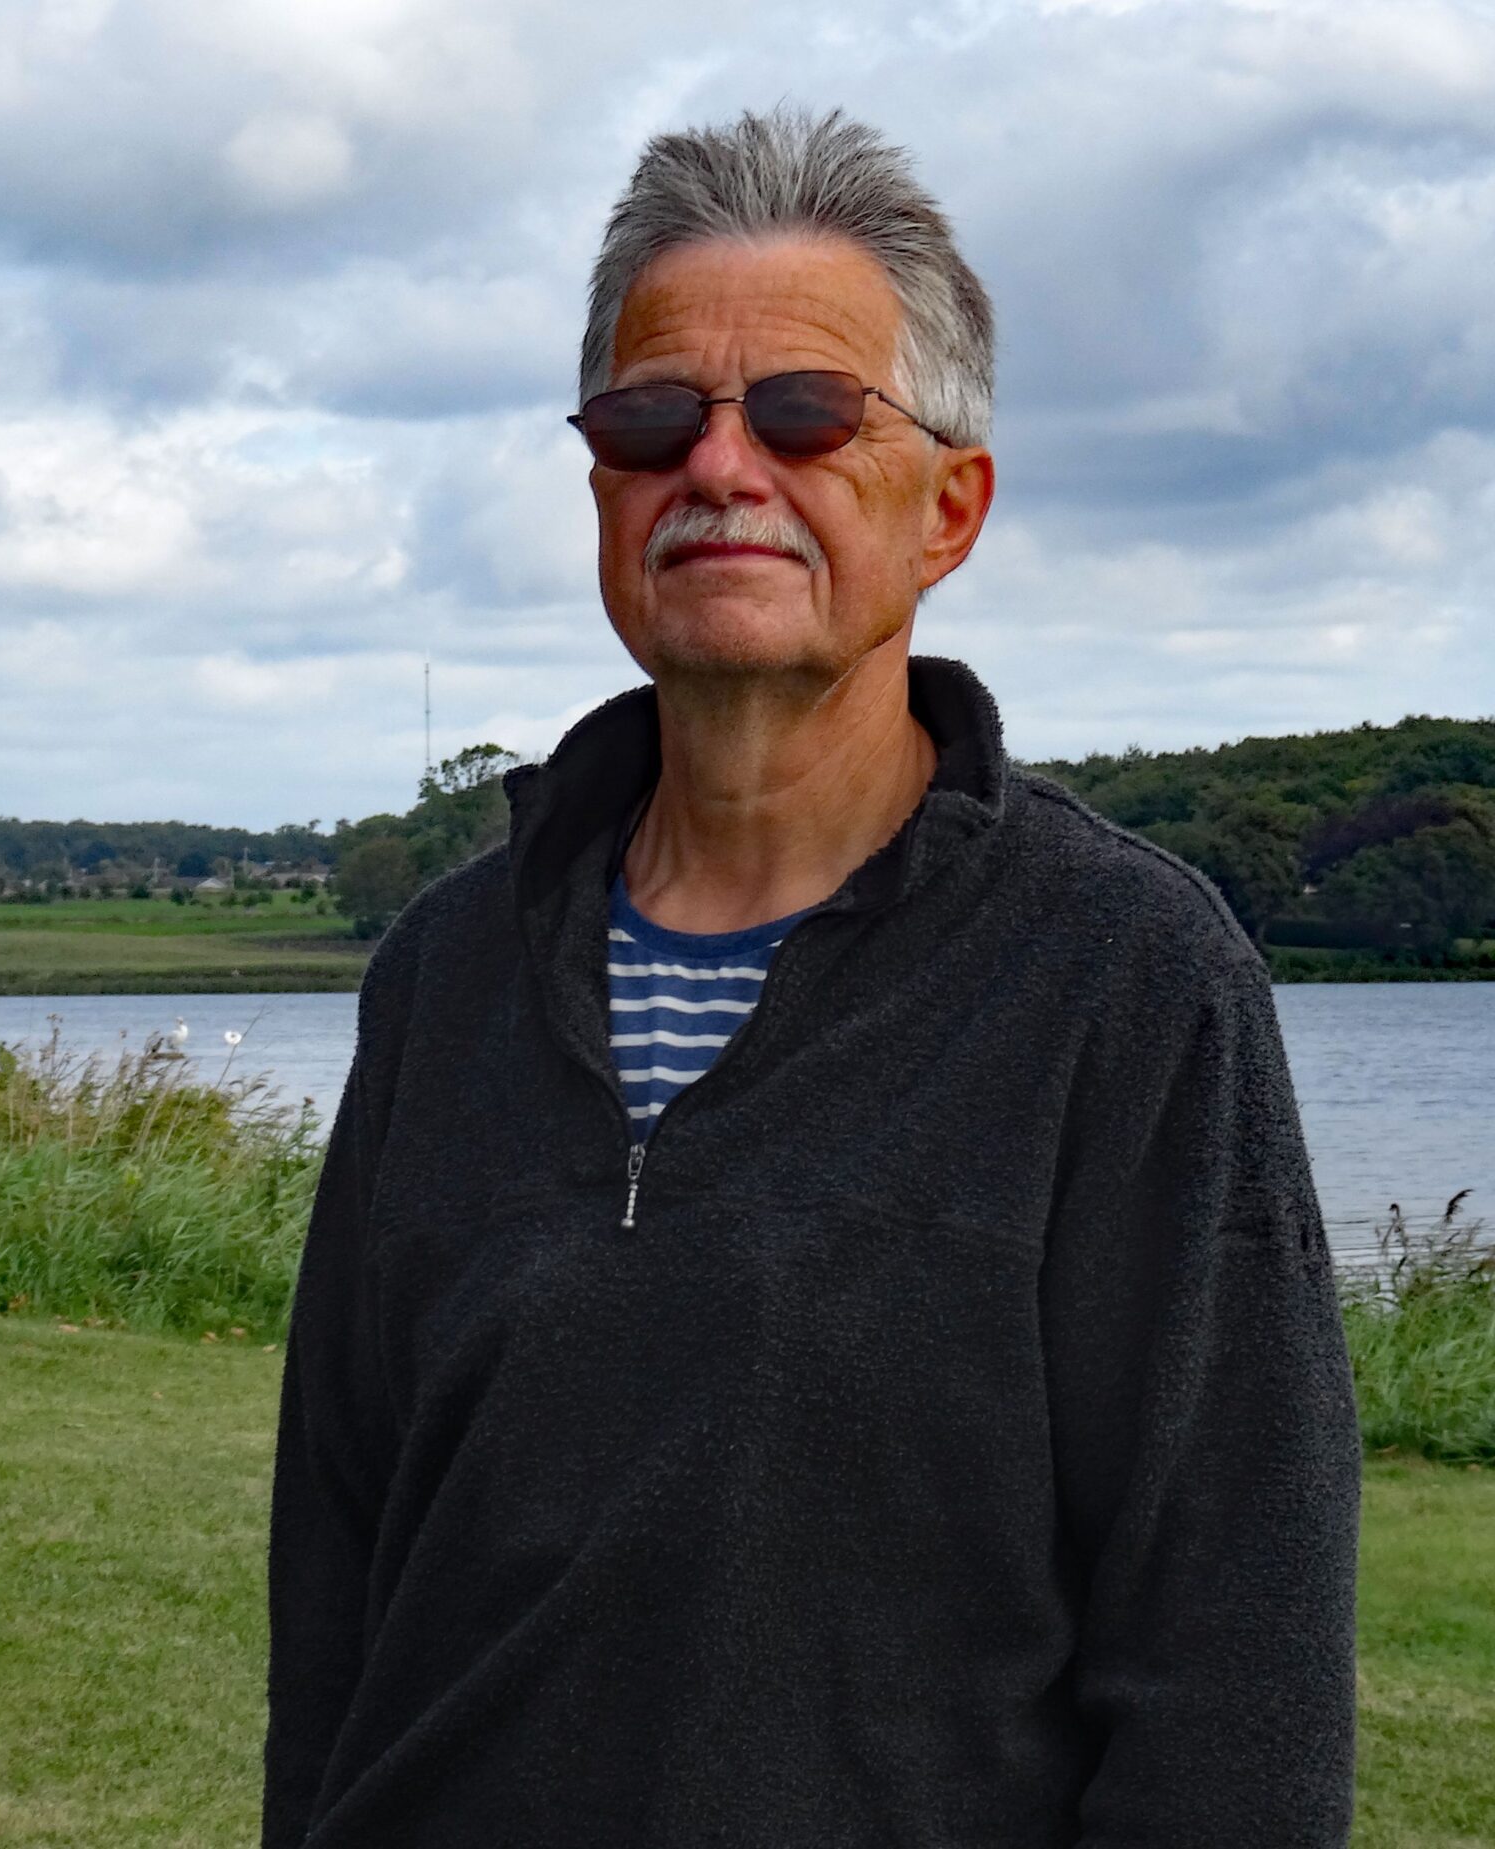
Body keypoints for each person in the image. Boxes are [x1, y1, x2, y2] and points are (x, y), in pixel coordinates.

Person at [263, 106, 1359, 1848]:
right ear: (601, 481)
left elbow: (1236, 1676)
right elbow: (334, 1585)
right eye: (651, 417)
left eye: (804, 413)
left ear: (951, 507)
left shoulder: (1131, 984)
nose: (718, 466)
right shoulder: (440, 980)